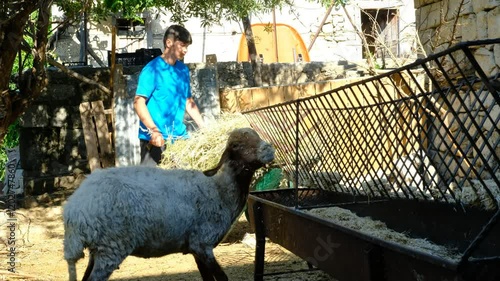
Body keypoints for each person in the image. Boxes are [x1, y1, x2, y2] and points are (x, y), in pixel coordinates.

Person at [134, 25, 204, 166]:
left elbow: (188, 101)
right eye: (182, 45)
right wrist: (154, 131)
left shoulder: (183, 70)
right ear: (169, 43)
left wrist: (204, 128)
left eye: (187, 46)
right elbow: (138, 102)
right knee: (152, 186)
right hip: (155, 140)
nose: (185, 50)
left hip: (179, 139)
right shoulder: (152, 69)